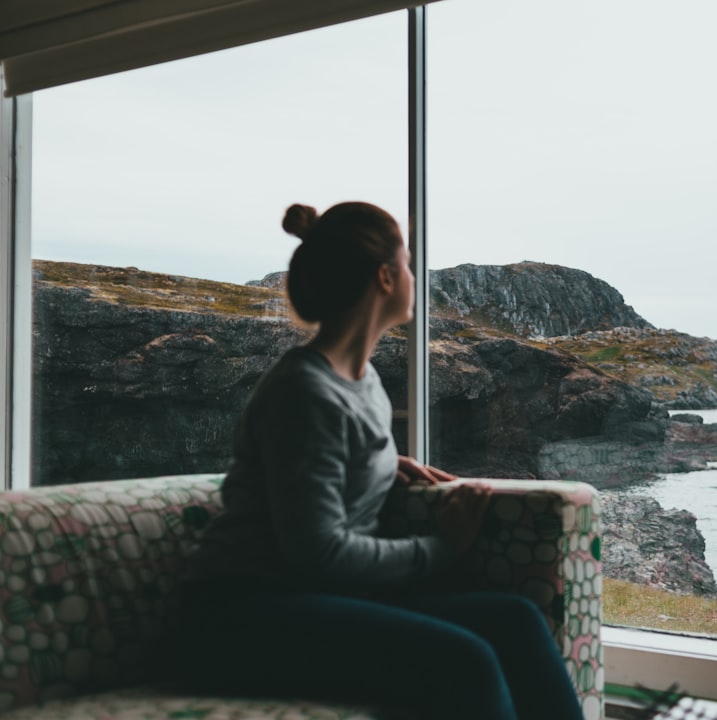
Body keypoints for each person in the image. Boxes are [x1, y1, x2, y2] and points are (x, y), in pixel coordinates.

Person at [176, 202, 585, 720]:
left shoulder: (361, 380)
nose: (416, 276)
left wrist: (383, 464)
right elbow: (318, 553)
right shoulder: (304, 393)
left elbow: (318, 465)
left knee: (515, 620)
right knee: (466, 660)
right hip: (241, 616)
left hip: (312, 598)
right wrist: (441, 548)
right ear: (387, 277)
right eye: (409, 264)